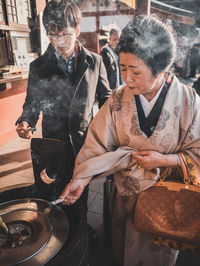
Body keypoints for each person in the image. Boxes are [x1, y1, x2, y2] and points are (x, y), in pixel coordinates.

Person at [60, 15, 200, 266]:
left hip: (166, 204)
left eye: (135, 70)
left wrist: (167, 159)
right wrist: (80, 179)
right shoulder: (116, 100)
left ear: (160, 67)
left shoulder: (189, 102)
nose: (127, 78)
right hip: (124, 199)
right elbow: (95, 144)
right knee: (121, 251)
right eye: (123, 68)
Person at [15, 0, 111, 244]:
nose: (58, 41)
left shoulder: (94, 62)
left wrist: (106, 128)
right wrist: (25, 121)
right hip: (53, 143)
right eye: (52, 34)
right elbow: (32, 104)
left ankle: (80, 236)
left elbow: (107, 99)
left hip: (83, 142)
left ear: (77, 30)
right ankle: (58, 238)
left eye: (65, 34)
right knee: (56, 193)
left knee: (82, 192)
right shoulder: (39, 66)